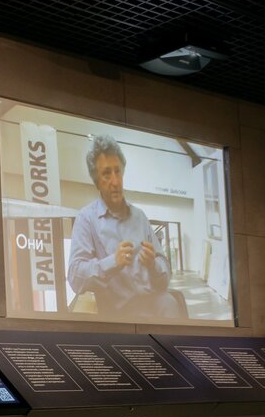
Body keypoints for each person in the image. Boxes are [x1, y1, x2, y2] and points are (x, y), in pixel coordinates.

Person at [67, 135, 181, 319]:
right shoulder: (86, 219)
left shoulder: (139, 217)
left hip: (154, 302)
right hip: (120, 312)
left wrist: (153, 264)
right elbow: (75, 277)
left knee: (171, 304)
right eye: (107, 174)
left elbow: (166, 272)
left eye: (118, 171)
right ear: (97, 181)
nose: (115, 181)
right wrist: (113, 262)